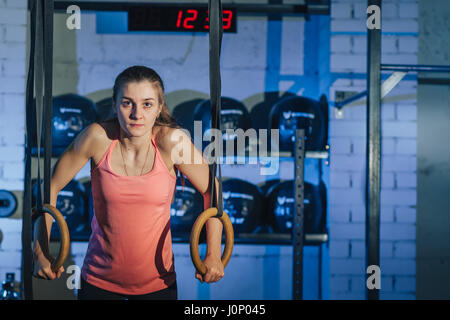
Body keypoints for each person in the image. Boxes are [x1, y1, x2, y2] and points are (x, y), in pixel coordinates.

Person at [32, 65, 225, 300]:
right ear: (114, 105)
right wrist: (40, 251)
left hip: (158, 286)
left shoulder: (172, 142)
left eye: (147, 104)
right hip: (97, 284)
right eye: (127, 103)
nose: (137, 114)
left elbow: (212, 192)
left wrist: (213, 253)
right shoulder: (97, 138)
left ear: (159, 108)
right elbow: (50, 186)